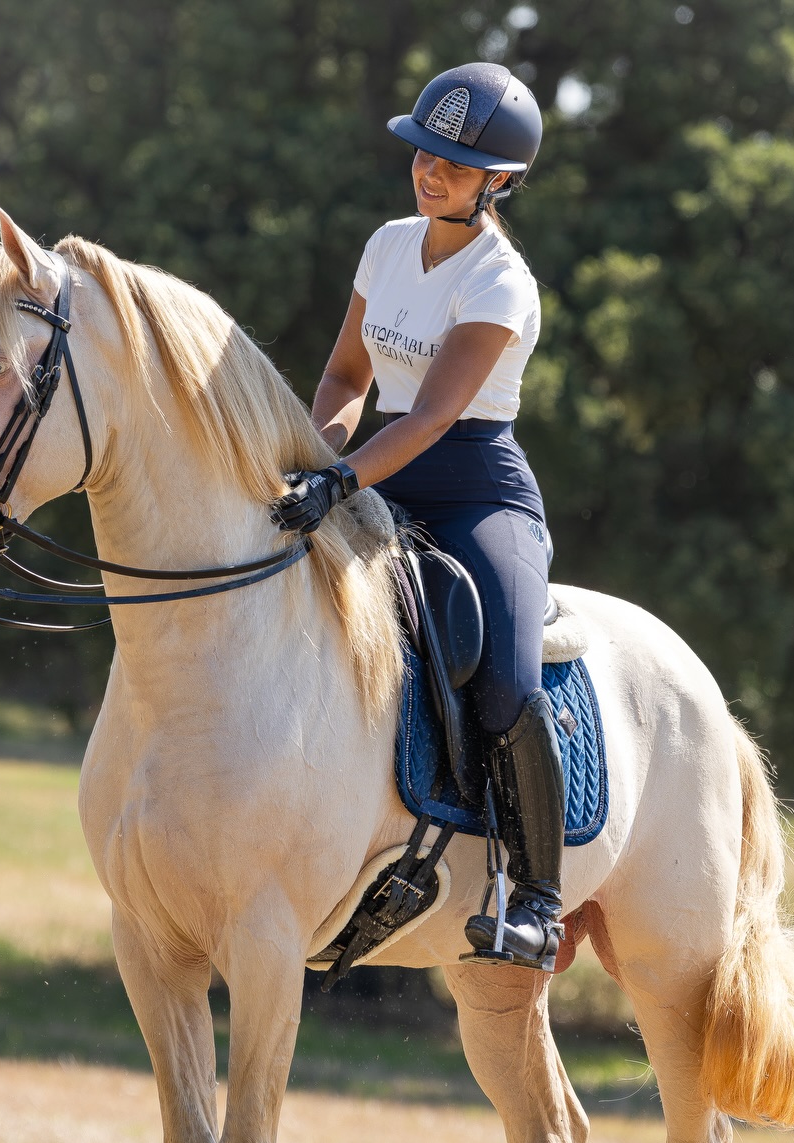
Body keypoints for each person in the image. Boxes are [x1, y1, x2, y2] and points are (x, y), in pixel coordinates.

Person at [270, 63, 566, 972]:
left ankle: (540, 902)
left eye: (453, 163)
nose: (429, 172)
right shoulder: (389, 245)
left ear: (499, 182)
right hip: (379, 471)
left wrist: (343, 483)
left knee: (508, 681)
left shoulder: (501, 282)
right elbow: (348, 377)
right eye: (423, 153)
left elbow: (436, 414)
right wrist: (313, 460)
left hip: (477, 485)